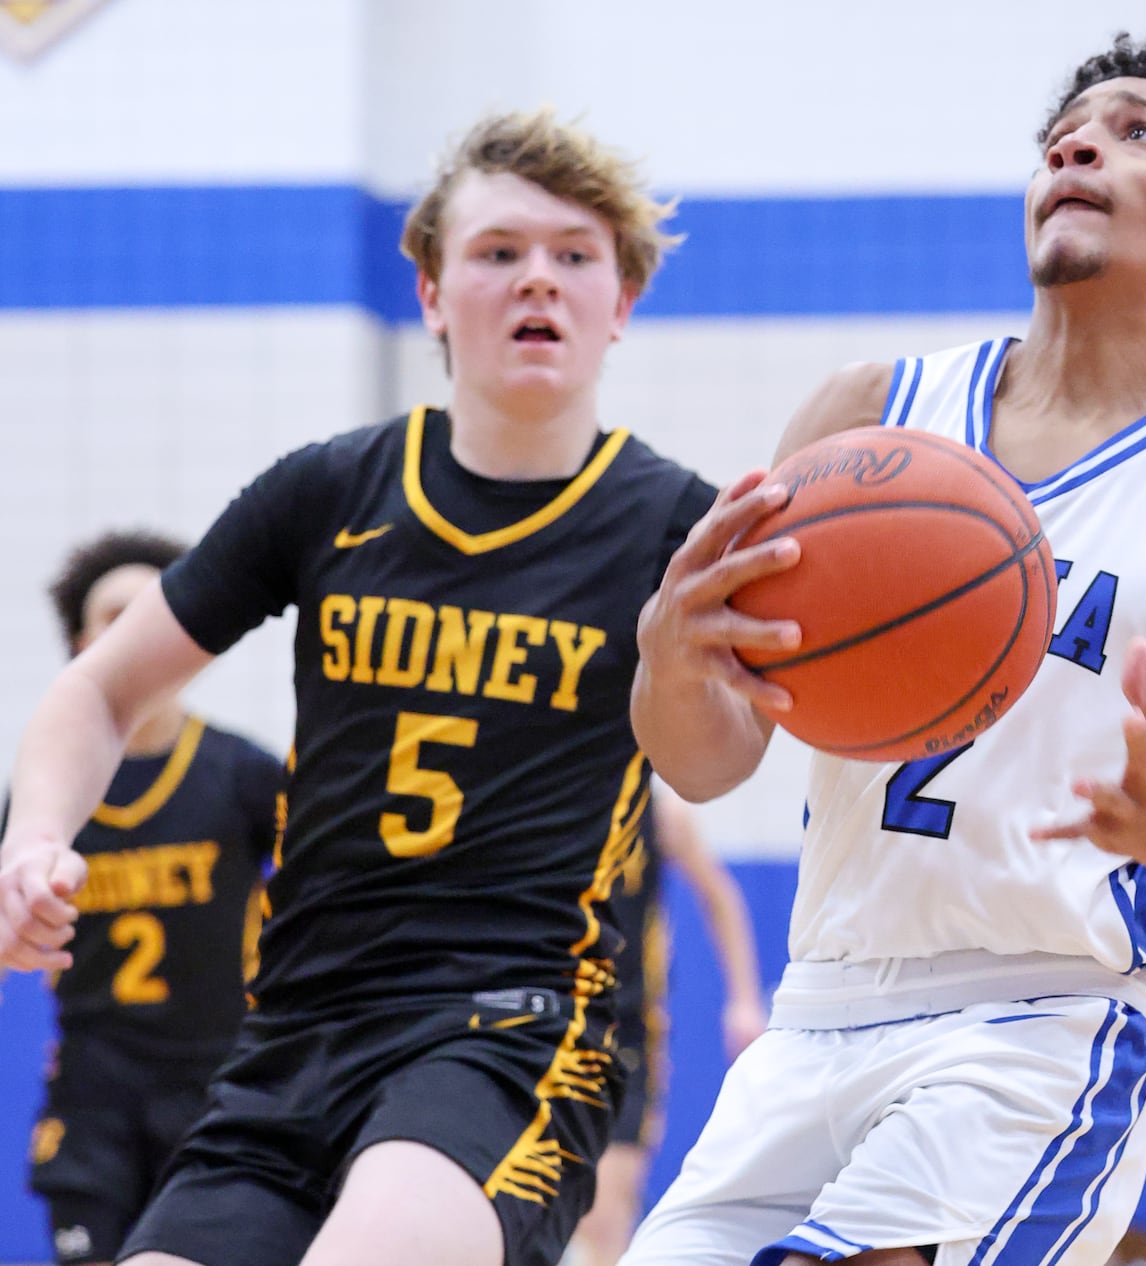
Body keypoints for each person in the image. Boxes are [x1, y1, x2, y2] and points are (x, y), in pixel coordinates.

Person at [624, 25, 1146, 1266]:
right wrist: (668, 660)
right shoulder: (866, 419)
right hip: (812, 1014)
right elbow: (708, 763)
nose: (1077, 142)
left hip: (1034, 1029)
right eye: (1063, 134)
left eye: (1138, 129)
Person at [0, 109, 717, 1266]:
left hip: (511, 1028)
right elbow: (94, 695)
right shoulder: (330, 491)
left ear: (620, 302)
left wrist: (692, 668)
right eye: (497, 252)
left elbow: (714, 765)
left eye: (573, 254)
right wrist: (33, 840)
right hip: (293, 1037)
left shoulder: (678, 524)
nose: (537, 275)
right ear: (431, 293)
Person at [7, 530, 282, 1266]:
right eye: (113, 616)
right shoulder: (48, 790)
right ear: (78, 641)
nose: (133, 633)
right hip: (94, 1086)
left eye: (150, 615)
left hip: (218, 1080)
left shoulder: (244, 772)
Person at [570, 784, 768, 1266]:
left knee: (606, 1215)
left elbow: (719, 895)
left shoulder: (656, 813)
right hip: (545, 1020)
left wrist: (743, 1000)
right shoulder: (551, 800)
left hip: (625, 1033)